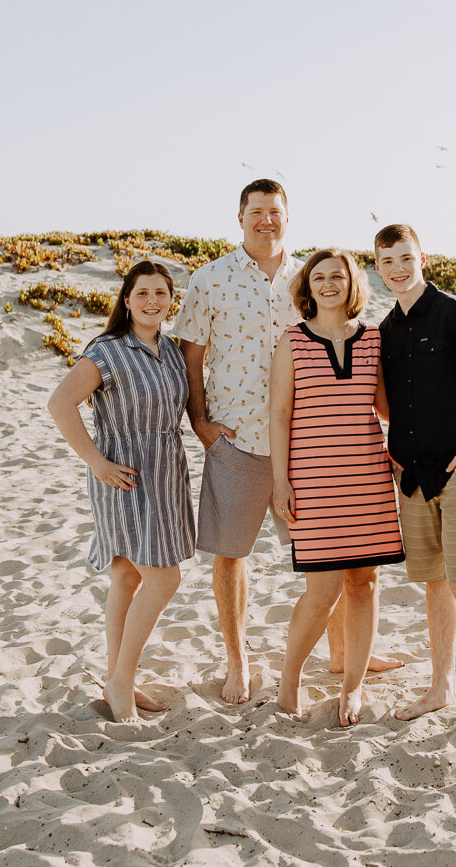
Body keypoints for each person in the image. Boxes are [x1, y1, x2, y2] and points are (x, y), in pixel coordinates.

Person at [177, 180, 400, 704]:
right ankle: (239, 663)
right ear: (239, 218)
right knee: (232, 556)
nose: (266, 221)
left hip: (314, 448)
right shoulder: (210, 279)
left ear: (287, 216)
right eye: (256, 212)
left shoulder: (308, 278)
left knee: (343, 560)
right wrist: (201, 423)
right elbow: (190, 357)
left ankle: (344, 655)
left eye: (274, 212)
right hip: (238, 439)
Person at [375, 224, 456, 750]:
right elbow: (388, 401)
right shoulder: (386, 327)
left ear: (422, 257)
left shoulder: (455, 312)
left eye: (406, 258)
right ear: (378, 268)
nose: (398, 269)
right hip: (410, 477)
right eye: (387, 262)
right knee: (433, 584)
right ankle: (442, 684)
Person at [47, 261, 194, 723]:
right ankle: (120, 680)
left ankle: (118, 677)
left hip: (166, 472)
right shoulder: (107, 351)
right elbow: (60, 402)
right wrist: (96, 461)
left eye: (161, 293)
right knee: (163, 579)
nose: (153, 300)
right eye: (143, 292)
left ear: (171, 300)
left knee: (128, 578)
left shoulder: (170, 350)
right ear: (126, 300)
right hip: (124, 475)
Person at [271, 250, 404, 725]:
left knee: (364, 584)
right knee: (322, 590)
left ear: (353, 285)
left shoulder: (372, 339)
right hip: (313, 480)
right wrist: (280, 480)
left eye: (338, 277)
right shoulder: (291, 341)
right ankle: (289, 682)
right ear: (308, 287)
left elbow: (388, 407)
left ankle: (353, 686)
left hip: (367, 478)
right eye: (320, 277)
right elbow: (280, 415)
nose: (329, 284)